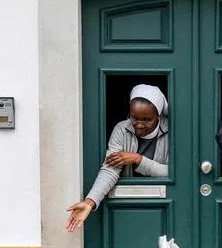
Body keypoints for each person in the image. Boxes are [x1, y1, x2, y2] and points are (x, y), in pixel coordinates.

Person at [66, 84, 169, 232]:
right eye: (134, 118)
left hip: (161, 202)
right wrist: (89, 202)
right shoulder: (121, 129)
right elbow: (110, 169)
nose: (139, 125)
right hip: (127, 205)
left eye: (147, 119)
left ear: (158, 116)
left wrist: (138, 159)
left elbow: (172, 172)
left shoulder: (171, 131)